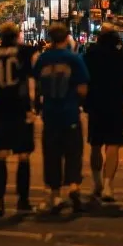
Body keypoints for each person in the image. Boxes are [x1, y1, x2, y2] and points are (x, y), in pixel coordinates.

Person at [0, 23, 37, 216]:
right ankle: (23, 200)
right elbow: (36, 75)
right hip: (21, 109)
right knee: (23, 156)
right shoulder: (25, 52)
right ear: (17, 36)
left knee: (0, 154)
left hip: (1, 109)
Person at [34, 23, 89, 213]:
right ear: (66, 38)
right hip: (70, 112)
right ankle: (73, 186)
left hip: (50, 114)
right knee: (73, 153)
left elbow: (36, 84)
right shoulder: (74, 59)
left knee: (52, 156)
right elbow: (83, 88)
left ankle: (55, 195)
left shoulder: (43, 59)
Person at [83, 23, 123, 202]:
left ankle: (96, 182)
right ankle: (107, 185)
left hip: (95, 104)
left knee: (95, 144)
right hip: (115, 105)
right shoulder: (122, 58)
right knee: (113, 145)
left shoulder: (89, 56)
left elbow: (83, 81)